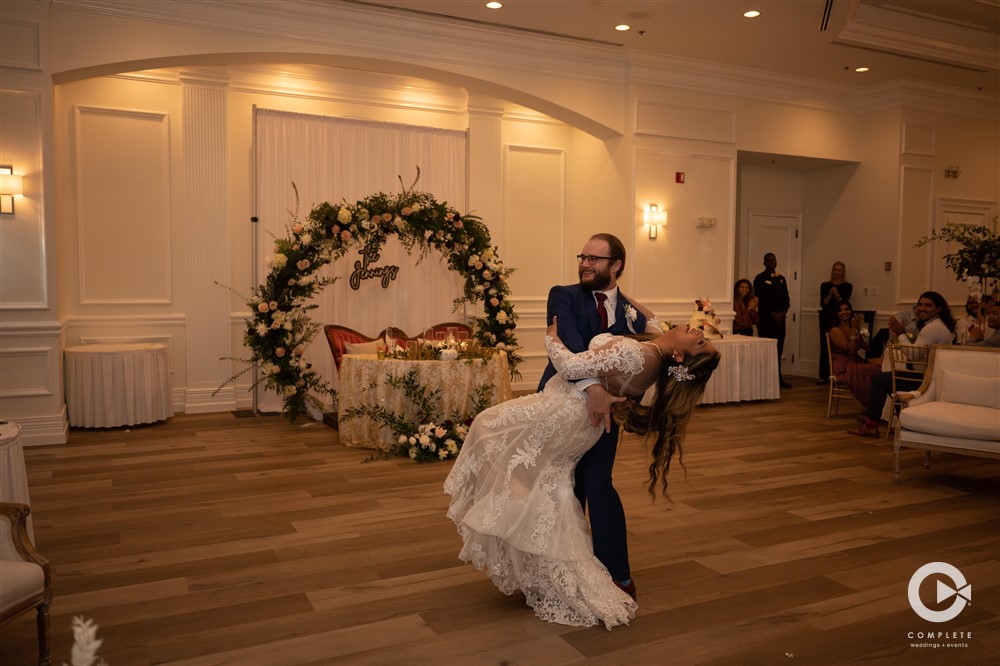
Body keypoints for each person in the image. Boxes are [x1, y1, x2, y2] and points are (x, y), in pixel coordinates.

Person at [444, 319, 720, 628]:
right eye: (702, 335)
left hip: (562, 413)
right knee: (550, 488)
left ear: (680, 358)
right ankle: (541, 561)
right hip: (579, 424)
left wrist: (551, 338)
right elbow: (640, 331)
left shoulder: (640, 355)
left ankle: (512, 525)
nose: (698, 332)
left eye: (699, 342)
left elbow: (570, 366)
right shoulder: (653, 356)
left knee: (487, 428)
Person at [532, 233, 661, 601]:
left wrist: (622, 298)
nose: (584, 264)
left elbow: (658, 340)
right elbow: (570, 343)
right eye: (582, 257)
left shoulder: (628, 311)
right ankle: (559, 569)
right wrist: (596, 391)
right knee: (563, 486)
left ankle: (615, 573)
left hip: (608, 412)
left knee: (599, 483)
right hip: (562, 403)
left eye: (594, 259)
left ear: (615, 265)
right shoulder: (564, 294)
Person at [848, 291, 956, 438]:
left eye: (928, 305)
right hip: (932, 377)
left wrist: (900, 333)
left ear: (939, 309)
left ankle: (871, 426)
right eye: (920, 305)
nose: (922, 308)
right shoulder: (938, 325)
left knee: (879, 380)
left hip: (927, 381)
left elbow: (913, 355)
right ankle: (901, 422)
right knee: (885, 379)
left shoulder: (933, 328)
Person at [827, 301, 880, 411]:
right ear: (836, 313)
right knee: (870, 369)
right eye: (840, 310)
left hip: (855, 360)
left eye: (846, 309)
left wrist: (861, 333)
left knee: (880, 366)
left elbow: (866, 348)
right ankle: (871, 407)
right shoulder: (835, 330)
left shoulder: (854, 327)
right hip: (843, 365)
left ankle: (878, 406)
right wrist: (853, 331)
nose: (844, 312)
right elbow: (849, 350)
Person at [753, 252, 792, 388]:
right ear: (764, 263)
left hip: (781, 320)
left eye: (773, 260)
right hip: (766, 320)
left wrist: (782, 312)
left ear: (776, 262)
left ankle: (778, 379)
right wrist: (772, 313)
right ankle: (765, 380)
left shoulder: (781, 278)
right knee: (766, 350)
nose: (771, 262)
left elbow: (786, 298)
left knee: (778, 349)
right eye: (768, 260)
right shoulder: (759, 278)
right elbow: (760, 299)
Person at [817, 261, 853, 384]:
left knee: (839, 346)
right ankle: (823, 375)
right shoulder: (825, 285)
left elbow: (844, 303)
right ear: (832, 271)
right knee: (824, 345)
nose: (837, 272)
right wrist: (830, 294)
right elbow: (823, 303)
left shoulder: (847, 286)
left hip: (840, 320)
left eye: (839, 270)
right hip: (826, 318)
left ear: (843, 272)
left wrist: (837, 295)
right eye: (835, 270)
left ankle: (839, 374)